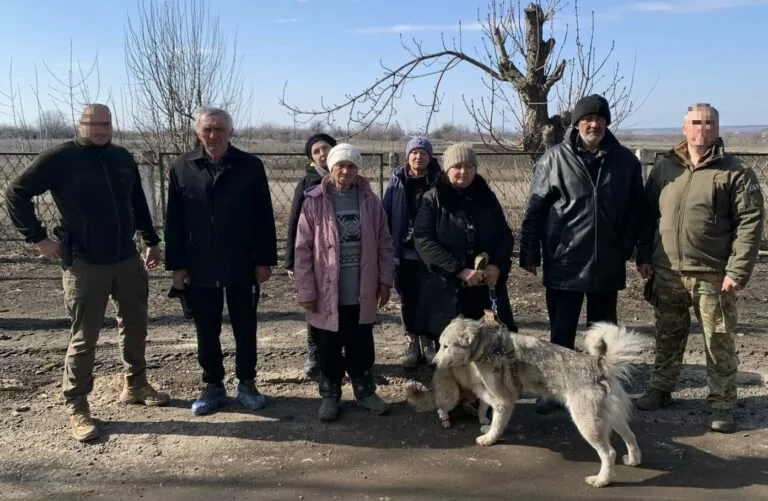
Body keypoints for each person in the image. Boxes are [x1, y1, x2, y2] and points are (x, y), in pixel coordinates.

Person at [4, 103, 169, 442]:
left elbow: (137, 201)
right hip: (85, 263)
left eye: (106, 123)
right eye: (93, 124)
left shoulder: (122, 157)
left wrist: (151, 240)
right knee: (85, 337)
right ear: (80, 126)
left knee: (136, 326)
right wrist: (38, 238)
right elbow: (15, 193)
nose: (100, 129)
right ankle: (77, 406)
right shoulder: (60, 158)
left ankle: (136, 384)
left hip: (126, 259)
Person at [634, 103, 764, 433]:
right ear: (684, 128)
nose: (702, 129)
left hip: (712, 274)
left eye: (709, 123)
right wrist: (644, 256)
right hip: (667, 272)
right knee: (668, 335)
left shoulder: (734, 172)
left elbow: (750, 222)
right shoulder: (665, 168)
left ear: (718, 129)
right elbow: (648, 215)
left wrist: (738, 270)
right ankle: (662, 389)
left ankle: (722, 404)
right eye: (695, 123)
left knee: (717, 341)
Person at [518, 94, 646, 415]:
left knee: (603, 334)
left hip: (607, 261)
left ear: (606, 123)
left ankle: (601, 389)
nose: (593, 124)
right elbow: (535, 210)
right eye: (587, 119)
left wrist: (625, 245)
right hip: (565, 261)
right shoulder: (554, 159)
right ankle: (556, 390)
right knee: (561, 332)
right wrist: (529, 251)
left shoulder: (626, 162)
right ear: (576, 123)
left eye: (599, 119)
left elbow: (637, 211)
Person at [164, 107, 277, 416]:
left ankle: (247, 382)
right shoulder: (181, 167)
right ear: (198, 133)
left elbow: (263, 217)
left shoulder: (250, 166)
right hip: (199, 263)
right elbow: (173, 221)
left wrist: (265, 260)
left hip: (242, 261)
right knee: (206, 329)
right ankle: (213, 385)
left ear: (230, 132)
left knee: (245, 326)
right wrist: (176, 265)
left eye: (219, 130)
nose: (213, 135)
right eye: (207, 130)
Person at [293, 143, 395, 421]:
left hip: (361, 288)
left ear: (357, 170)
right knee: (328, 347)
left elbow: (385, 244)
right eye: (340, 165)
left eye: (351, 166)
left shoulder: (370, 201)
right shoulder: (314, 200)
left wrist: (385, 281)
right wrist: (305, 289)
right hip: (327, 291)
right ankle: (330, 395)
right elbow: (302, 250)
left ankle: (365, 392)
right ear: (331, 167)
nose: (346, 171)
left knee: (361, 344)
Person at [412, 142, 518, 343]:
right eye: (457, 167)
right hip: (448, 287)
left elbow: (504, 235)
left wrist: (497, 265)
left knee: (490, 343)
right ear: (447, 169)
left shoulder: (487, 197)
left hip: (486, 284)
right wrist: (459, 270)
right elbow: (423, 240)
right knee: (454, 346)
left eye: (469, 167)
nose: (463, 172)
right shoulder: (433, 198)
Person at [382, 136, 443, 368]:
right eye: (414, 153)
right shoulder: (396, 181)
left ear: (430, 156)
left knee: (431, 299)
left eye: (423, 153)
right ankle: (412, 341)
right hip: (404, 251)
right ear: (408, 156)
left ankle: (429, 341)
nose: (419, 157)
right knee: (408, 298)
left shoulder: (439, 179)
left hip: (431, 253)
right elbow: (386, 213)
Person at [285, 132, 337, 378]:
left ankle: (342, 354)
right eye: (315, 151)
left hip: (340, 257)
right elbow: (295, 222)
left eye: (324, 148)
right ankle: (314, 354)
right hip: (316, 258)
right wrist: (291, 260)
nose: (321, 154)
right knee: (315, 306)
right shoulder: (307, 182)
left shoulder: (348, 178)